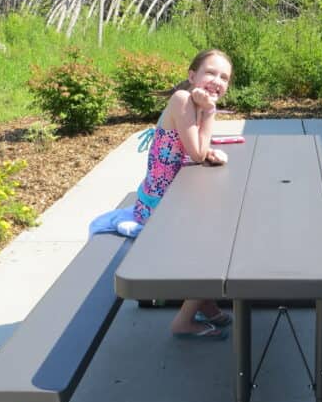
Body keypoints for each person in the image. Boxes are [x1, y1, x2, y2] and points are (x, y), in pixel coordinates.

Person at [92, 49, 234, 340]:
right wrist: (209, 111)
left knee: (222, 223)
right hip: (160, 209)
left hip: (171, 198)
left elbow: (198, 148)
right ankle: (183, 320)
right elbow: (196, 153)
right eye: (211, 73)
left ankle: (203, 302)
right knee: (216, 246)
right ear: (192, 75)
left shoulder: (192, 103)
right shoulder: (183, 100)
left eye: (224, 77)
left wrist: (206, 120)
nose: (217, 81)